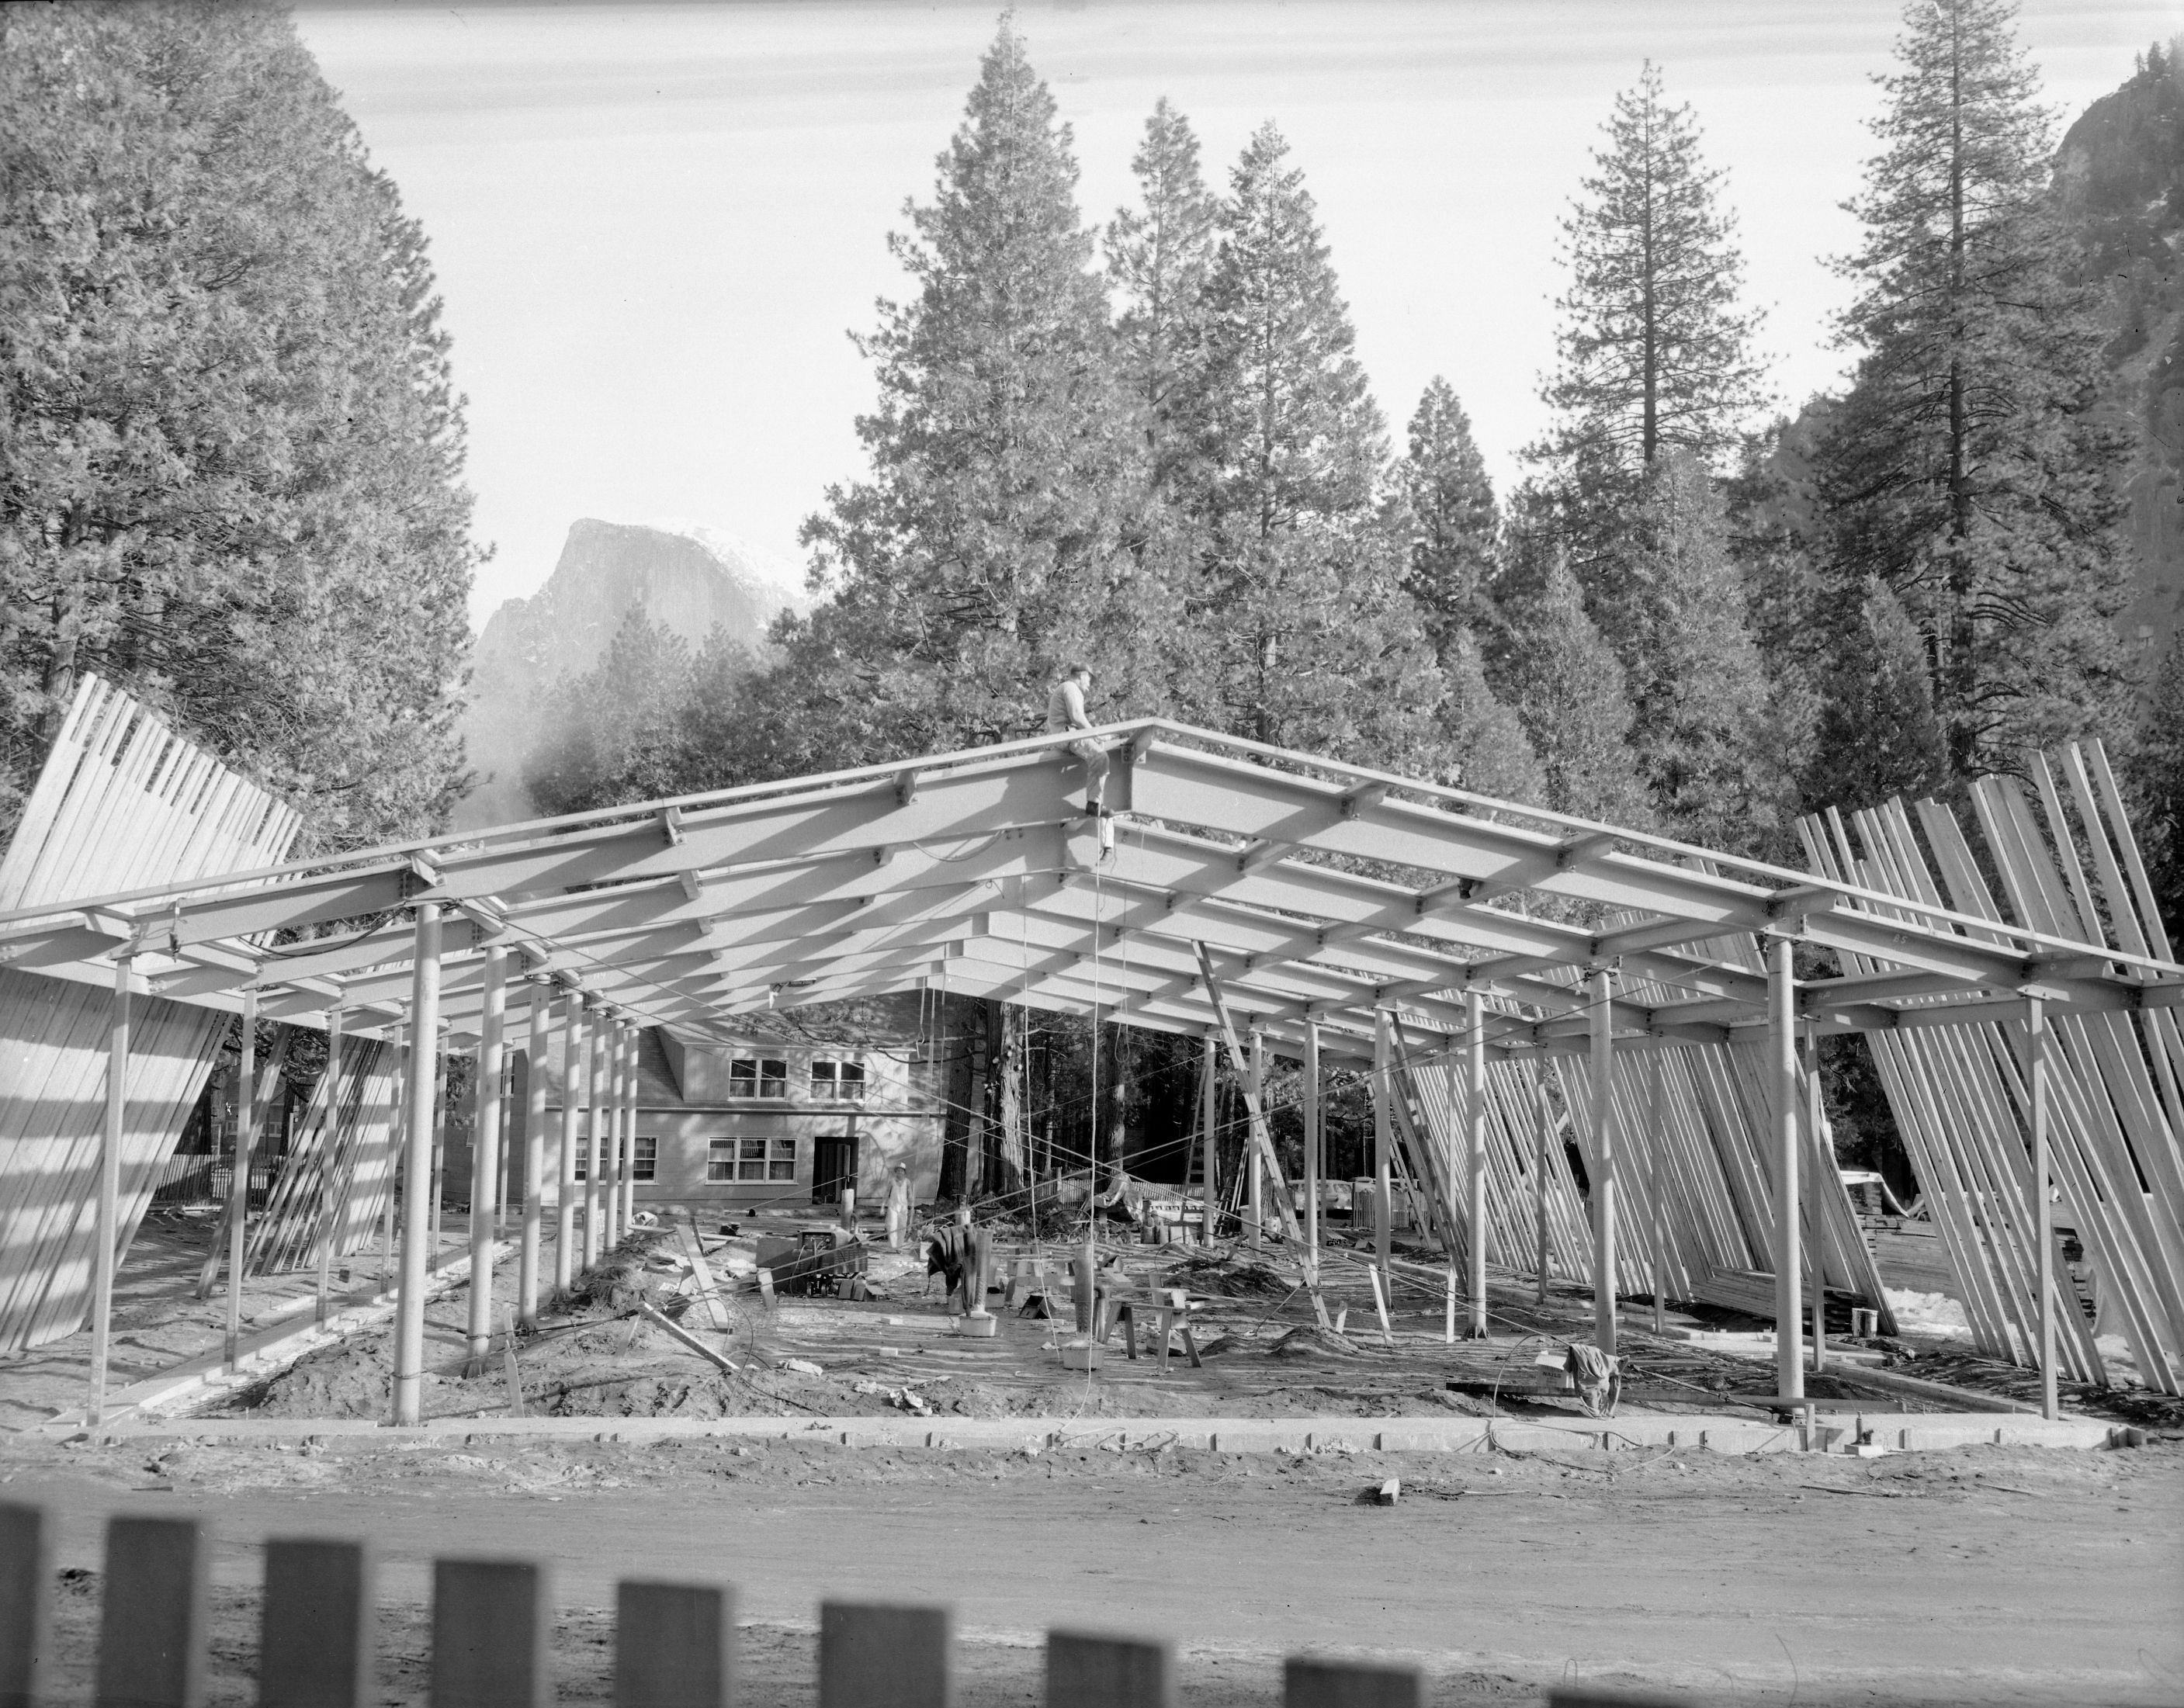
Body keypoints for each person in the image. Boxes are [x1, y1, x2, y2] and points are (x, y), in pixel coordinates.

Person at [1045, 662, 1110, 816]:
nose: (1090, 685)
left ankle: (1095, 801)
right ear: (1083, 675)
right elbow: (1077, 716)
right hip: (1068, 734)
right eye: (1089, 680)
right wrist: (1095, 734)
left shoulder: (1068, 689)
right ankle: (1094, 803)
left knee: (1097, 752)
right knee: (1100, 757)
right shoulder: (1070, 687)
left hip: (1065, 735)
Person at [885, 1160, 912, 1252]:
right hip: (893, 1207)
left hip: (903, 1208)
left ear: (904, 1172)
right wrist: (882, 1206)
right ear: (896, 1172)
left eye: (902, 1171)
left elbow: (910, 1194)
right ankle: (894, 1245)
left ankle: (899, 1246)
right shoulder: (892, 1181)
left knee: (902, 1227)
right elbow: (887, 1193)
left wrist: (912, 1204)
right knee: (892, 1226)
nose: (900, 1172)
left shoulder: (907, 1182)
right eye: (898, 1171)